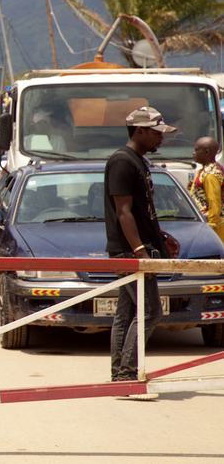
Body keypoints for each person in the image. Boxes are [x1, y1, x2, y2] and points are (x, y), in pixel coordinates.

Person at [105, 107, 180, 382]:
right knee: (150, 312)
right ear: (139, 131)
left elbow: (141, 211)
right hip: (129, 251)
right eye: (156, 133)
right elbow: (123, 212)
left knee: (126, 312)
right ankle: (126, 372)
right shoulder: (122, 161)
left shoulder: (137, 161)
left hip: (138, 246)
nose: (160, 139)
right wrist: (139, 250)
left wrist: (159, 237)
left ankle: (120, 373)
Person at [191, 136, 224, 244]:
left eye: (196, 150)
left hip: (214, 229)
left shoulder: (210, 175)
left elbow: (214, 204)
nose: (193, 153)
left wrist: (210, 228)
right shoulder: (206, 170)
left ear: (206, 152)